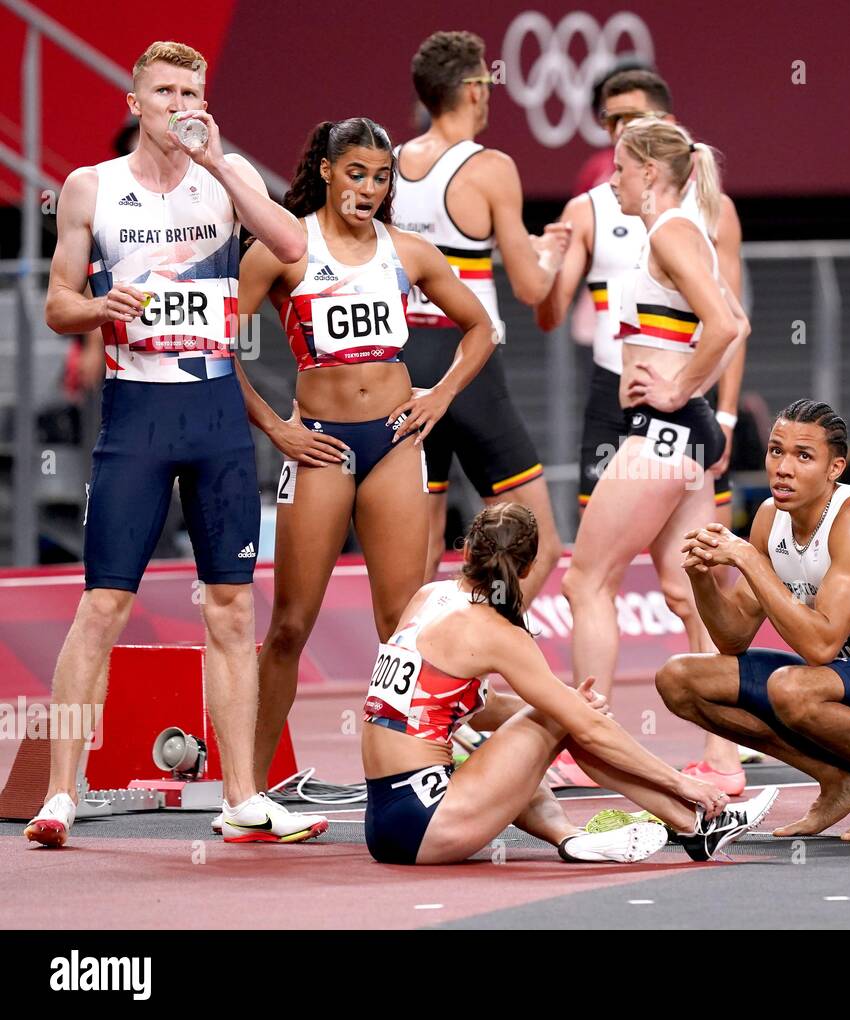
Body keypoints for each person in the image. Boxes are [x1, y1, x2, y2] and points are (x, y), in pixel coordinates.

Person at [29, 41, 325, 846]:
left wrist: (223, 163)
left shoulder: (225, 184)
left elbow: (293, 246)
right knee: (104, 603)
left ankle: (238, 798)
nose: (179, 101)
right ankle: (61, 795)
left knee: (231, 607)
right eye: (164, 90)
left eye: (191, 89)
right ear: (135, 102)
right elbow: (58, 303)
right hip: (137, 418)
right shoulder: (92, 186)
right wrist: (100, 310)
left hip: (217, 419)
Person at [233, 117, 496, 795]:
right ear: (325, 170)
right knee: (290, 624)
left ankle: (421, 772)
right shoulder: (283, 248)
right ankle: (249, 793)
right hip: (319, 444)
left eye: (381, 177)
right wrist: (274, 426)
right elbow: (213, 346)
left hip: (396, 441)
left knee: (403, 622)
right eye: (356, 173)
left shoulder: (409, 252)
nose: (370, 188)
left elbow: (480, 328)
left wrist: (439, 396)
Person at [537, 69, 751, 791]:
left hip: (662, 432)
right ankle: (723, 760)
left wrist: (679, 387)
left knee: (585, 580)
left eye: (623, 168)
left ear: (651, 172)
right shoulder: (676, 226)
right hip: (675, 433)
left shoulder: (671, 227)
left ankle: (589, 742)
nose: (615, 179)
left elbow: (730, 323)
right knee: (686, 590)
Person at [363, 503, 779, 864]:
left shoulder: (427, 597)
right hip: (430, 822)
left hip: (383, 824)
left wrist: (564, 703)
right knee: (568, 718)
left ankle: (570, 836)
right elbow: (587, 728)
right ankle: (695, 822)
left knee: (563, 710)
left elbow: (449, 707)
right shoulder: (497, 632)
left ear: (467, 549)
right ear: (527, 569)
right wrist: (681, 781)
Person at [656, 400, 850, 842]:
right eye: (776, 451)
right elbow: (734, 638)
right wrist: (701, 579)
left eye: (803, 456)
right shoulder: (769, 519)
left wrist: (747, 561)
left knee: (792, 687)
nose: (783, 468)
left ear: (834, 468)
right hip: (842, 686)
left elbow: (820, 648)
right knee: (680, 678)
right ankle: (842, 780)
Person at [392, 30, 569, 598]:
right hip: (467, 362)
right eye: (486, 84)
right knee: (536, 545)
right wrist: (554, 253)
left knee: (416, 553)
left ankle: (413, 679)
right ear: (470, 90)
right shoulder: (490, 167)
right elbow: (528, 285)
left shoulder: (390, 163)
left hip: (399, 359)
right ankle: (478, 648)